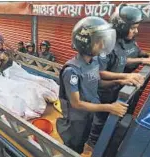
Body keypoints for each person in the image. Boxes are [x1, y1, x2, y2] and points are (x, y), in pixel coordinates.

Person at [56, 16, 136, 154]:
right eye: (99, 42)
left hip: (89, 114)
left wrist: (118, 81)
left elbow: (97, 82)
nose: (103, 46)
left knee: (83, 141)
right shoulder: (71, 71)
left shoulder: (93, 62)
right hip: (76, 120)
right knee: (73, 146)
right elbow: (77, 104)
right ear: (86, 43)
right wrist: (109, 107)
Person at [87, 5, 145, 148]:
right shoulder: (105, 43)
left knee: (113, 118)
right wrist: (124, 77)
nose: (136, 31)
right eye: (133, 28)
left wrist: (144, 58)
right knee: (100, 120)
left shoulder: (127, 40)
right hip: (102, 89)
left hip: (117, 87)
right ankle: (92, 146)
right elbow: (100, 72)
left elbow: (125, 57)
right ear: (122, 26)